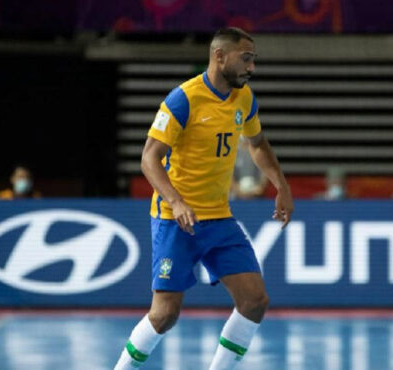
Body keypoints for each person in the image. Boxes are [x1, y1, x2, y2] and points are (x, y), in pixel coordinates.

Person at [114, 27, 294, 370]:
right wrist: (176, 201)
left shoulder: (244, 98)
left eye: (253, 59)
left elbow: (257, 144)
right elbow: (149, 158)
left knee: (254, 301)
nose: (252, 67)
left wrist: (281, 185)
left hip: (219, 218)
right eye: (246, 58)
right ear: (219, 56)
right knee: (165, 315)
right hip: (175, 220)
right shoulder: (183, 99)